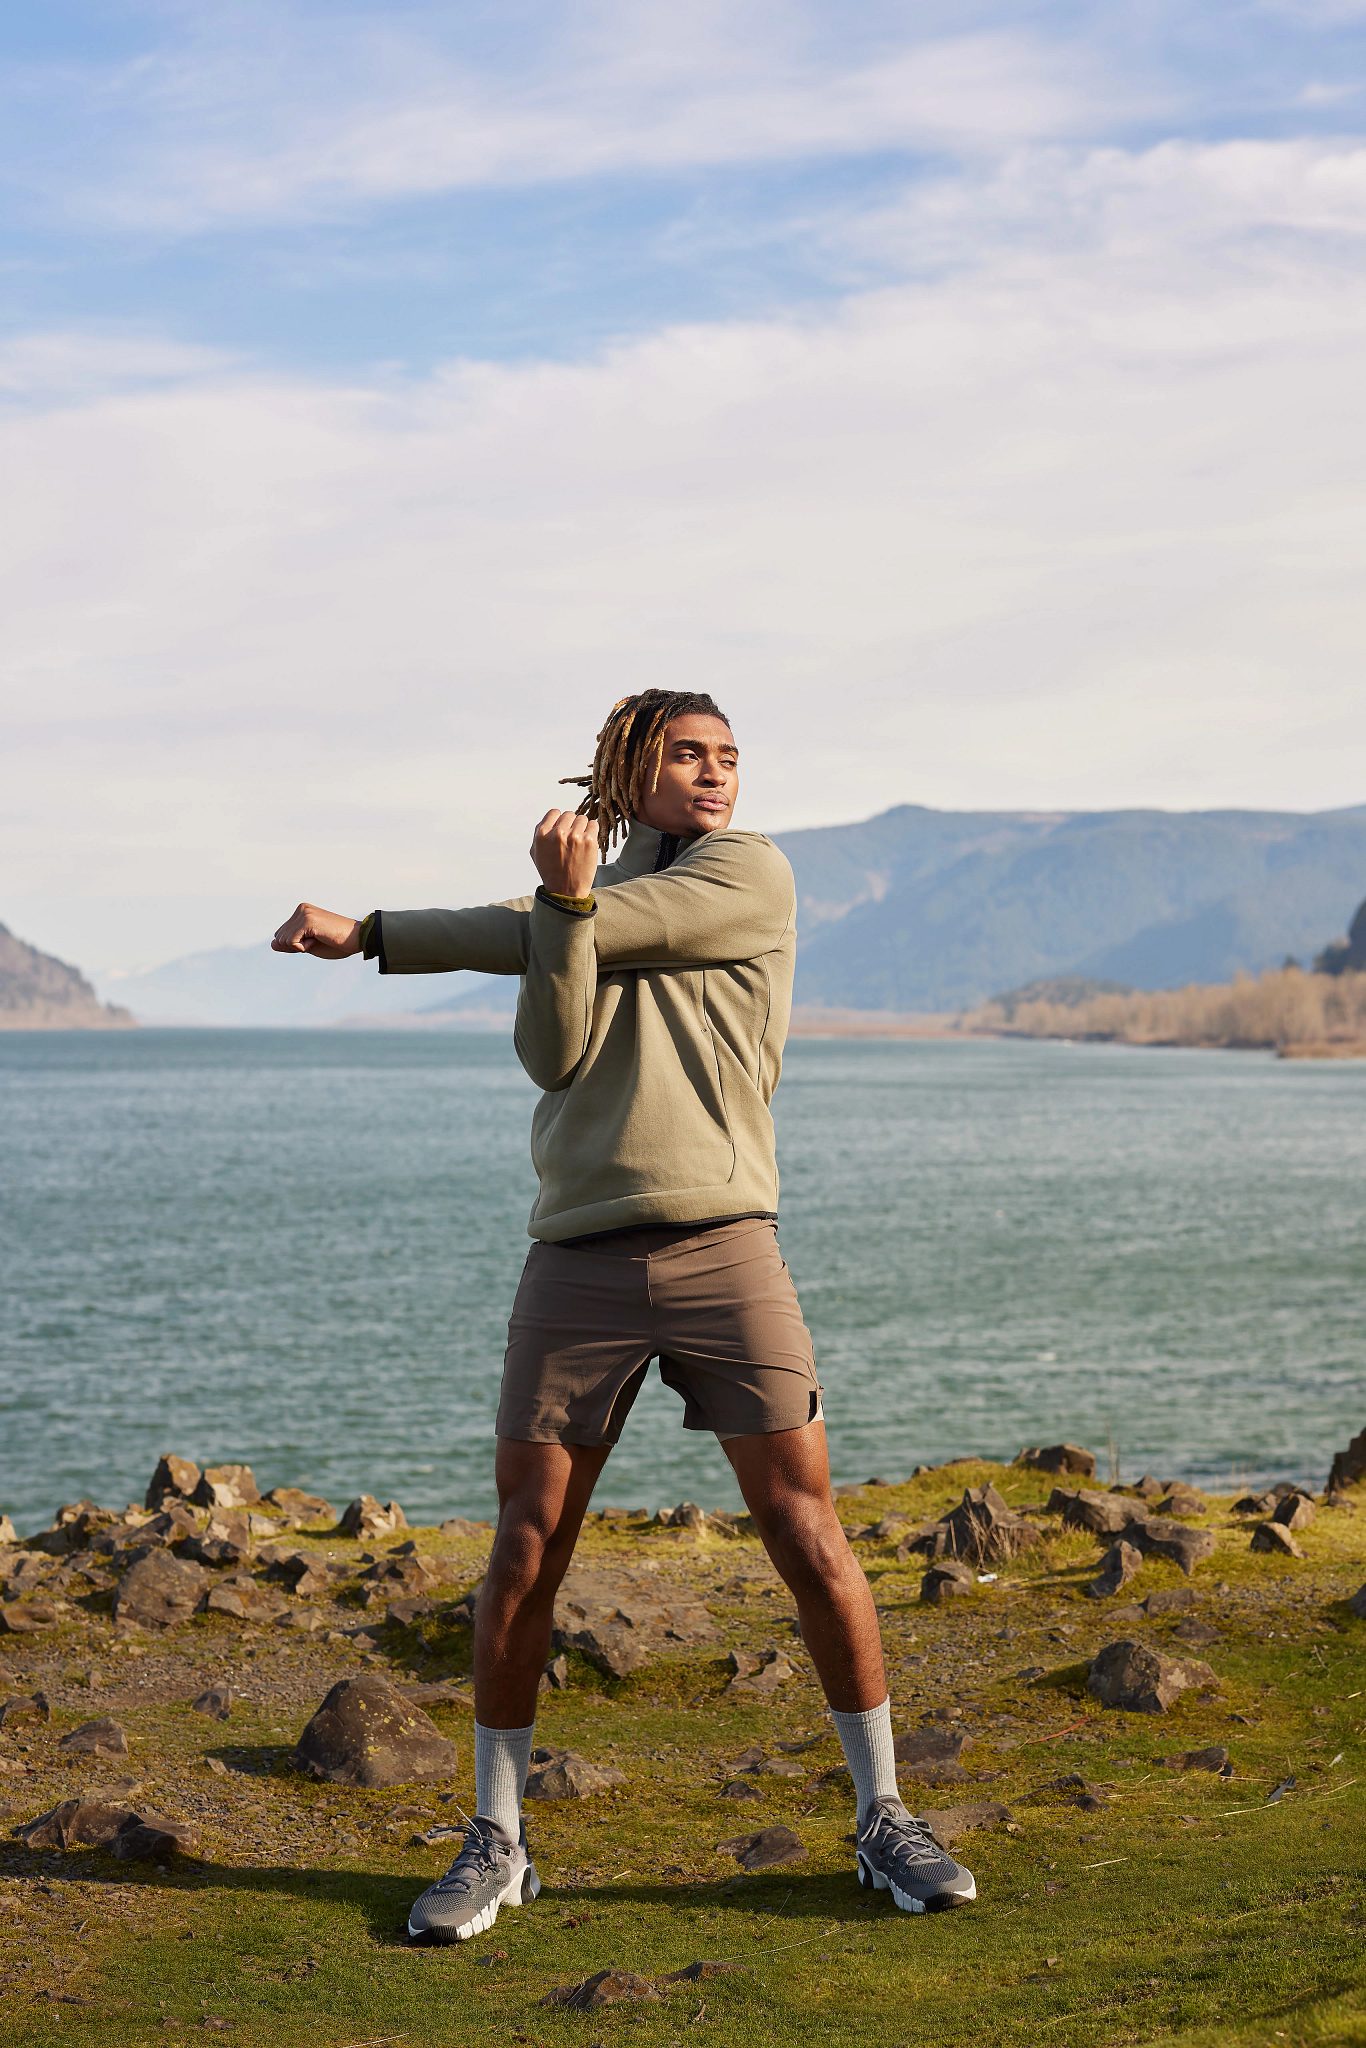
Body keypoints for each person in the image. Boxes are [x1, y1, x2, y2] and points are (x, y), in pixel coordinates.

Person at [271, 688, 976, 1941]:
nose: (715, 775)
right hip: (577, 1258)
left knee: (805, 1527)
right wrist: (548, 915)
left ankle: (883, 1816)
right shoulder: (570, 904)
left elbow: (604, 922)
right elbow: (551, 1052)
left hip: (726, 1244)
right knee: (526, 1548)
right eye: (688, 754)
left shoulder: (746, 872)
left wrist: (386, 925)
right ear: (629, 765)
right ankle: (496, 1838)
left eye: (728, 756)